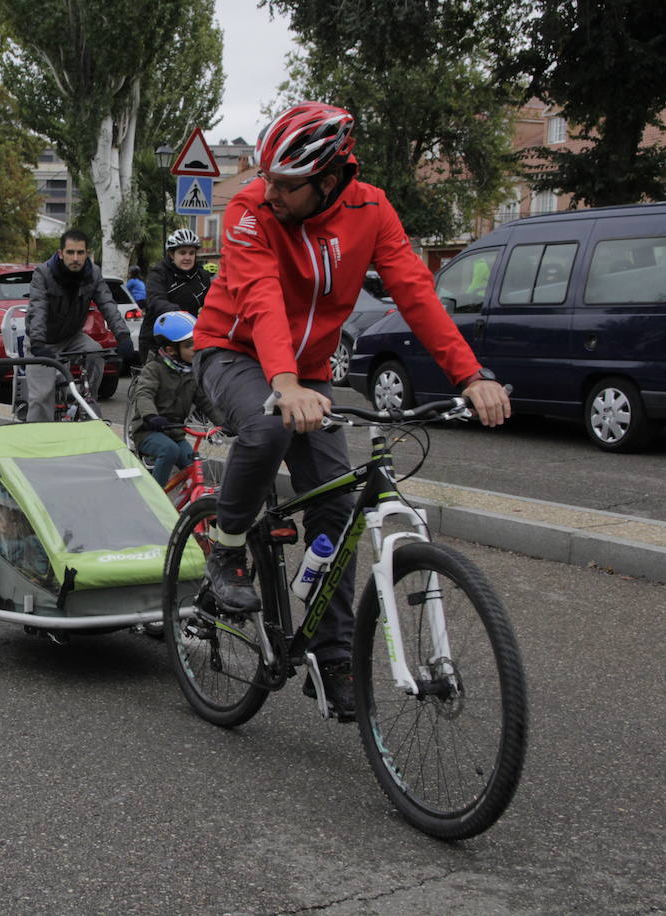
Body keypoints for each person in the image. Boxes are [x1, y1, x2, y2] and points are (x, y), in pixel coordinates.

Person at [192, 101, 510, 719]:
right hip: (231, 351)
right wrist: (284, 383)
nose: (271, 191)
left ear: (329, 181)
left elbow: (415, 292)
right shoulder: (248, 209)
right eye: (269, 179)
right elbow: (259, 299)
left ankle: (332, 658)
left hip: (307, 373)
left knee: (339, 511)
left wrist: (471, 376)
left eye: (287, 184)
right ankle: (227, 545)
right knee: (266, 425)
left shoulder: (371, 209)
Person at [22, 228, 134, 422]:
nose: (75, 258)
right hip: (43, 340)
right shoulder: (43, 273)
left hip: (72, 337)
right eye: (70, 252)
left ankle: (84, 397)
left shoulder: (93, 274)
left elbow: (107, 304)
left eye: (80, 253)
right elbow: (38, 308)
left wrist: (123, 335)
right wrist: (38, 343)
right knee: (41, 399)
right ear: (61, 253)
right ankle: (38, 442)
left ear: (86, 253)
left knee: (96, 352)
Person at [129, 311, 215, 486]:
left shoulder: (191, 372)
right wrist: (151, 416)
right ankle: (156, 499)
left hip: (175, 433)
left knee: (192, 464)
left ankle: (192, 507)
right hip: (148, 431)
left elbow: (205, 402)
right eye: (190, 345)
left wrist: (228, 422)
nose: (196, 349)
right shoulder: (153, 369)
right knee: (169, 451)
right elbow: (144, 394)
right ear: (171, 350)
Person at [140, 227, 213, 362]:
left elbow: (213, 304)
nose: (187, 257)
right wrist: (178, 313)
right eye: (182, 253)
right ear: (172, 254)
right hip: (157, 339)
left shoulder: (202, 276)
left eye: (191, 253)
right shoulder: (158, 273)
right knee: (155, 378)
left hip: (188, 339)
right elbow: (155, 300)